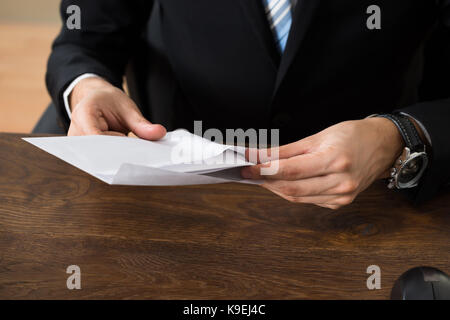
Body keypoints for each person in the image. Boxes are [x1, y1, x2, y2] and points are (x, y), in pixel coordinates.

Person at [47, 0, 450, 209]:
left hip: (373, 195)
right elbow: (85, 38)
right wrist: (87, 87)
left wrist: (397, 138)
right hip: (170, 185)